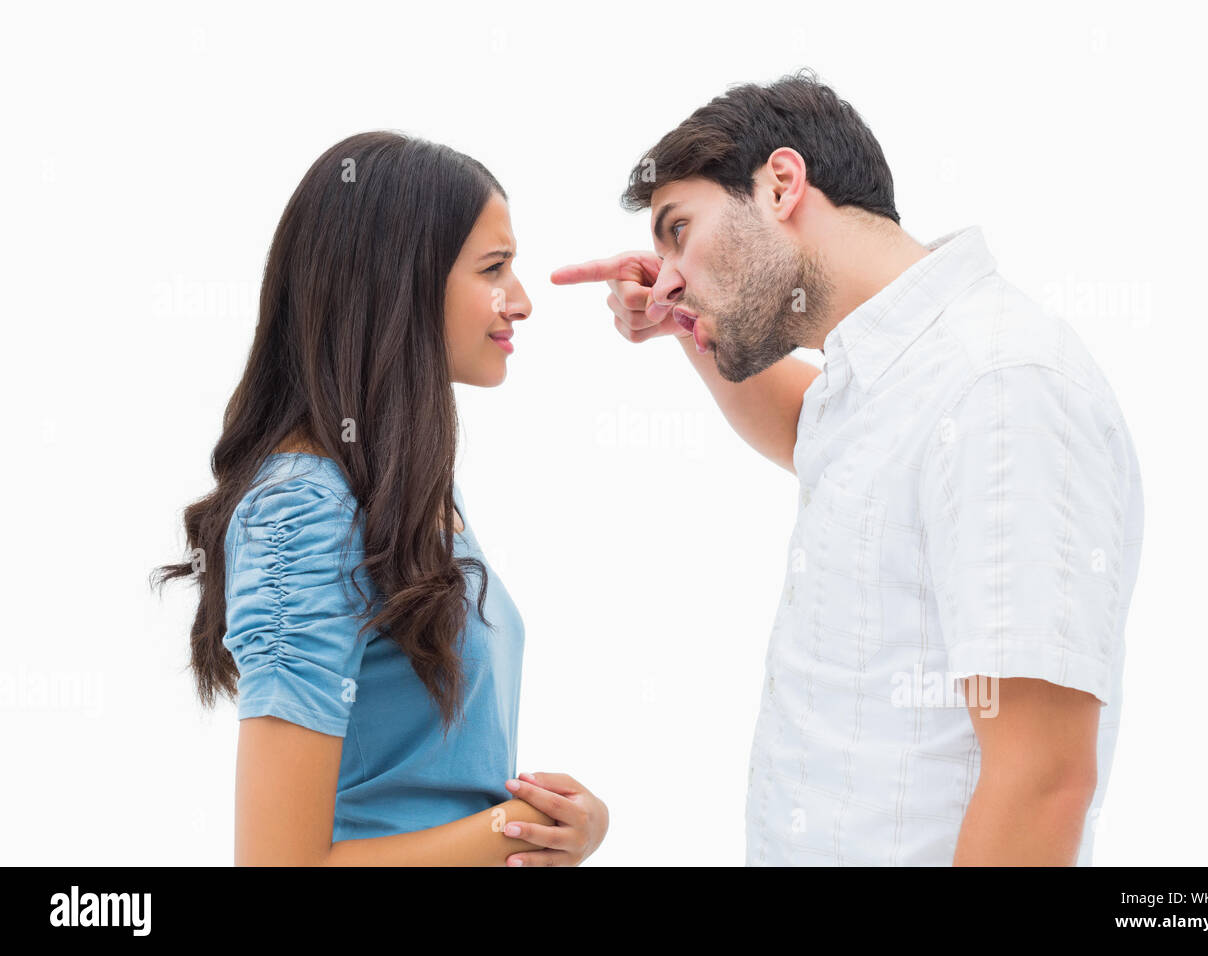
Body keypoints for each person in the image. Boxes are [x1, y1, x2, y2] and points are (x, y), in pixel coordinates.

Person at [553, 70, 1143, 866]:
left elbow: (1044, 779)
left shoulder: (998, 384)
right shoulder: (886, 375)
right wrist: (689, 324)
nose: (669, 276)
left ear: (781, 184)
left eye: (679, 230)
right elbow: (818, 435)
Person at [153, 131, 607, 866]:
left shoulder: (405, 486)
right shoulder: (301, 510)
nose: (520, 301)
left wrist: (563, 823)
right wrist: (511, 827)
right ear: (399, 281)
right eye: (495, 269)